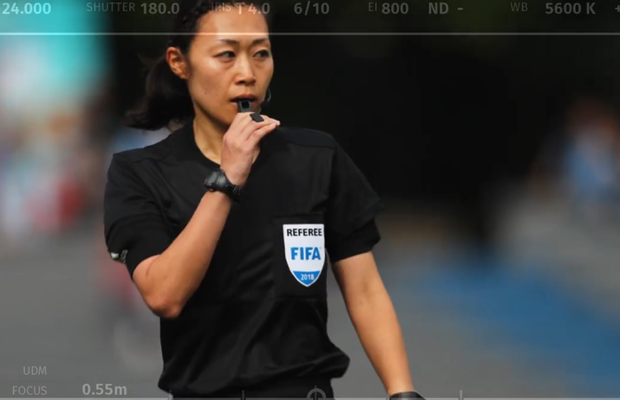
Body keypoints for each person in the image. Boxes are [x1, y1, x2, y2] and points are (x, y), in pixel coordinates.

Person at [103, 1, 423, 398]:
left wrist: (402, 391)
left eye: (260, 53)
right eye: (226, 55)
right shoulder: (139, 173)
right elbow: (164, 295)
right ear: (179, 63)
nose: (247, 73)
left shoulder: (316, 159)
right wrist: (228, 179)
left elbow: (366, 291)